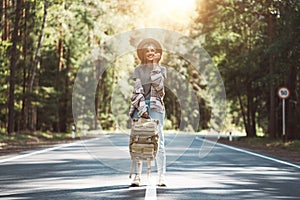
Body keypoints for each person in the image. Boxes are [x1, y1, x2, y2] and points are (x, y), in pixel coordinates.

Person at [129, 38, 167, 187]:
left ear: (156, 53)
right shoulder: (138, 69)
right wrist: (142, 108)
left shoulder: (162, 70)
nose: (150, 52)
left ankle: (161, 176)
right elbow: (137, 88)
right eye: (148, 50)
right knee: (139, 140)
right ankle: (137, 176)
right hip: (140, 107)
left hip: (156, 108)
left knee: (160, 141)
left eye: (153, 50)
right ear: (144, 53)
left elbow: (160, 89)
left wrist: (155, 66)